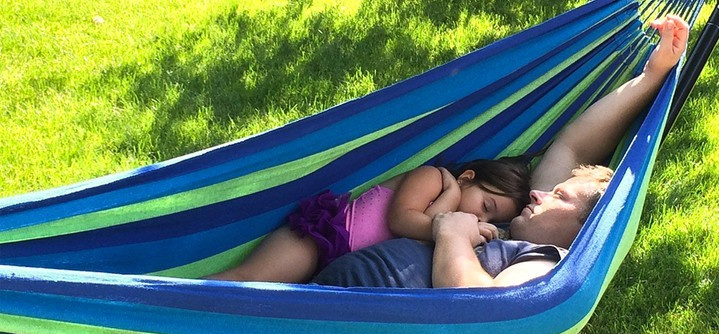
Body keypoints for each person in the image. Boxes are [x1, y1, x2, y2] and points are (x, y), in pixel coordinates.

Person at [311, 14, 689, 289]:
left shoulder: (547, 263)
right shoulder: (511, 226)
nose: (539, 193)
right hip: (321, 298)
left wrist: (453, 233)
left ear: (586, 230)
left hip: (344, 324)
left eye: (559, 196)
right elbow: (573, 145)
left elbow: (477, 309)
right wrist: (652, 76)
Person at [208, 157, 530, 282]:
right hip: (321, 238)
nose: (479, 216)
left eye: (491, 217)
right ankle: (183, 303)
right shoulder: (433, 178)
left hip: (337, 272)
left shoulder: (450, 228)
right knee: (250, 279)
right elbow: (401, 220)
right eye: (486, 204)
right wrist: (451, 197)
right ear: (467, 177)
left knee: (268, 307)